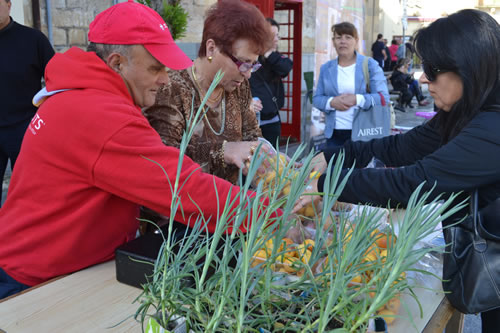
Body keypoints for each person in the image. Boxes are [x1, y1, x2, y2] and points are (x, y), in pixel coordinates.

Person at [0, 1, 281, 300]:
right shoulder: (103, 115)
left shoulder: (83, 94)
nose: (164, 78)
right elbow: (181, 187)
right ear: (118, 63)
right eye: (155, 67)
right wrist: (275, 213)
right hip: (35, 277)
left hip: (57, 261)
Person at [296, 9, 500, 332]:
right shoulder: (467, 112)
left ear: (469, 68)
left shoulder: (492, 127)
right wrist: (337, 156)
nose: (422, 79)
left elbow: (411, 183)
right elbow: (401, 147)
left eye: (432, 70)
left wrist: (325, 184)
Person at [144, 0, 274, 186]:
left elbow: (252, 136)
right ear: (211, 48)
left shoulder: (239, 85)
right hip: (180, 208)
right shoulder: (171, 87)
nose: (248, 73)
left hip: (228, 207)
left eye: (253, 64)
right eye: (243, 63)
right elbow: (165, 156)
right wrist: (223, 151)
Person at [0, 0, 54, 205]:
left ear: (8, 4)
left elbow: (55, 79)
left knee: (30, 192)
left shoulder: (33, 40)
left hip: (24, 127)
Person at [312, 22, 389, 149]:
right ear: (333, 41)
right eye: (338, 37)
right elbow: (317, 99)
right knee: (335, 168)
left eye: (348, 37)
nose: (343, 41)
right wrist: (331, 102)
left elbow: (383, 98)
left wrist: (356, 99)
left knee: (359, 169)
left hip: (364, 132)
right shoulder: (326, 68)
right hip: (334, 135)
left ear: (356, 41)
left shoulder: (370, 65)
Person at [249, 18, 293, 146]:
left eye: (277, 35)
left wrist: (267, 52)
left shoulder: (275, 58)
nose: (275, 39)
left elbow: (286, 67)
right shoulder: (248, 58)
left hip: (272, 119)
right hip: (251, 120)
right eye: (271, 36)